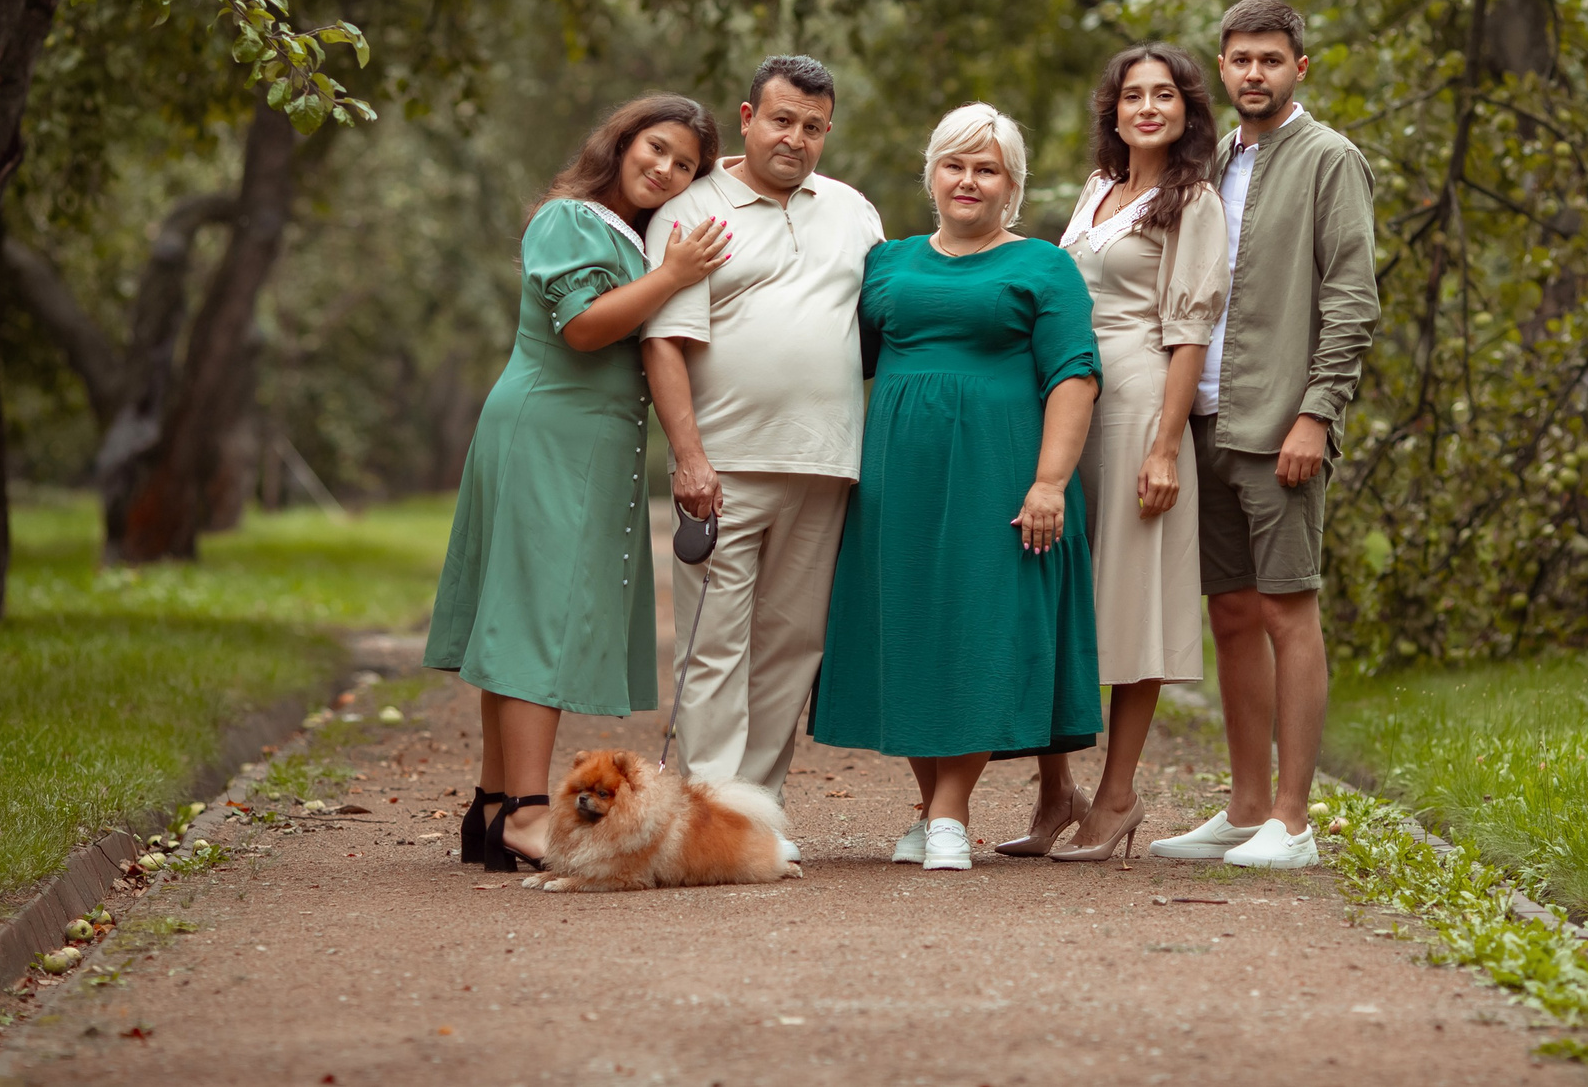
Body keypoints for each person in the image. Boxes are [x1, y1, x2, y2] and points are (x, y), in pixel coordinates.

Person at [425, 96, 733, 873]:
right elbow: (585, 326)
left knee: (528, 613)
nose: (664, 169)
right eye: (655, 148)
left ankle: (493, 808)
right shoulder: (570, 219)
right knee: (539, 621)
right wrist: (672, 275)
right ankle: (530, 815)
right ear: (622, 141)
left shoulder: (624, 231)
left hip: (581, 441)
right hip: (547, 432)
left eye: (686, 165)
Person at [810, 103, 1104, 872]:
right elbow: (840, 358)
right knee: (905, 630)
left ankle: (948, 812)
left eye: (988, 169)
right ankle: (933, 809)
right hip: (895, 481)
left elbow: (1075, 375)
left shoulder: (1044, 266)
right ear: (931, 173)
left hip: (999, 474)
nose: (968, 181)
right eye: (955, 164)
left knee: (979, 628)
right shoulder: (889, 263)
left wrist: (1049, 483)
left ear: (1011, 185)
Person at [1148, 0, 1377, 871]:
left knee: (1288, 610)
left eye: (1271, 60)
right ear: (1225, 66)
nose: (1254, 74)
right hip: (1204, 416)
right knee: (1232, 615)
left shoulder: (1329, 160)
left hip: (1280, 424)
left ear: (1299, 68)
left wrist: (1317, 412)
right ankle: (1245, 811)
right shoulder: (1207, 163)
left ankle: (1294, 820)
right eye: (1240, 60)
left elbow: (1353, 299)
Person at [641, 56, 884, 838]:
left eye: (814, 127)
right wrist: (688, 459)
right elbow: (665, 344)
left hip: (826, 462)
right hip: (725, 466)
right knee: (713, 648)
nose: (797, 138)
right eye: (782, 120)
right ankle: (706, 812)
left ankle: (757, 812)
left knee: (792, 646)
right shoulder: (694, 203)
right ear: (747, 118)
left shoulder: (853, 211)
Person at [1006, 45, 1228, 863]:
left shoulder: (1192, 201)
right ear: (1113, 108)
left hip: (1137, 404)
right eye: (1132, 94)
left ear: (1185, 109)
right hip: (1068, 400)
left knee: (1131, 602)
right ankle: (1054, 789)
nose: (1146, 107)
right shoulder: (1099, 189)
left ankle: (1118, 795)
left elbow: (1190, 329)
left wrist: (1167, 446)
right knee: (1050, 589)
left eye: (1162, 94)